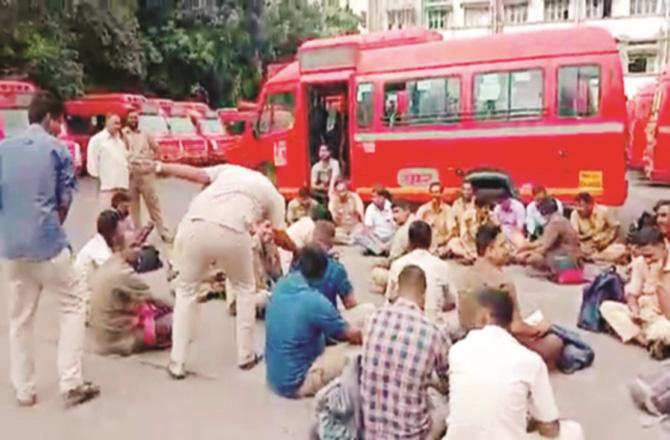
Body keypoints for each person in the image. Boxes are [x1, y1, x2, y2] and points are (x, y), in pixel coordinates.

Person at [0, 91, 99, 407]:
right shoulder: (58, 150)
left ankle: (24, 390)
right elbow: (65, 201)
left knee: (20, 319)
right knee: (74, 300)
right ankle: (70, 382)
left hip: (12, 249)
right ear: (48, 118)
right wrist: (50, 228)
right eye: (59, 120)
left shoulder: (3, 150)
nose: (61, 127)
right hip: (47, 244)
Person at [155, 162, 296, 377]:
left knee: (186, 292)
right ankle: (245, 355)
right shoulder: (272, 193)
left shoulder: (230, 170)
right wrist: (298, 249)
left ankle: (177, 362)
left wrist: (162, 167)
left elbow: (196, 174)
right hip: (232, 229)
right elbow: (279, 235)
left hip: (193, 225)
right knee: (244, 289)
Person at [445, 288, 584, 440]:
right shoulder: (530, 360)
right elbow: (550, 429)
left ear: (483, 317)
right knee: (573, 431)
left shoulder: (457, 351)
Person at [361, 265, 450, 440]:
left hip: (372, 432)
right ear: (424, 295)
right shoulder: (433, 332)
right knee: (442, 404)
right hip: (411, 435)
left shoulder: (372, 320)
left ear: (396, 288)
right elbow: (449, 381)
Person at [265, 245, 363, 398]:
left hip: (275, 377)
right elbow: (353, 336)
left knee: (361, 315)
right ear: (323, 272)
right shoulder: (317, 302)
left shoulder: (282, 285)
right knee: (360, 353)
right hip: (298, 382)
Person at [461, 225, 564, 368]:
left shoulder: (466, 275)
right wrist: (538, 329)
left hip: (469, 340)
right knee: (555, 342)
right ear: (490, 251)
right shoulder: (503, 282)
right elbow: (515, 327)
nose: (507, 250)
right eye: (502, 245)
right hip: (496, 346)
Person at [600, 227, 670, 358]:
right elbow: (632, 293)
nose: (647, 260)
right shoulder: (640, 263)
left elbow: (668, 314)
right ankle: (645, 341)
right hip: (643, 315)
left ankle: (653, 338)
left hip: (662, 318)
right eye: (644, 256)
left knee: (666, 328)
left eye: (650, 255)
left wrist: (658, 281)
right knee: (607, 307)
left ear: (663, 246)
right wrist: (634, 310)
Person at [89, 247, 173, 356]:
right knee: (172, 322)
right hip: (117, 340)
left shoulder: (110, 262)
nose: (139, 251)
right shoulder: (123, 273)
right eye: (134, 246)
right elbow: (155, 297)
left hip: (101, 333)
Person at [300, 221, 375, 330]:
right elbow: (350, 304)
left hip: (299, 320)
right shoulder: (335, 268)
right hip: (325, 324)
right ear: (331, 241)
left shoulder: (298, 259)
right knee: (369, 309)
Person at [386, 221, 455, 330]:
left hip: (401, 324)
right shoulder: (442, 266)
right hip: (433, 327)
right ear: (430, 241)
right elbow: (451, 302)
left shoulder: (397, 264)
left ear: (409, 241)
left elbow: (390, 298)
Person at [123, 110, 171, 243]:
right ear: (127, 119)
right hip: (130, 175)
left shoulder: (145, 133)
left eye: (135, 117)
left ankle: (163, 231)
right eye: (130, 118)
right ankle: (138, 234)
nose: (133, 120)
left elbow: (157, 148)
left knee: (153, 204)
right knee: (133, 206)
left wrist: (153, 163)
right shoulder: (123, 134)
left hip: (146, 173)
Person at [517, 197, 582, 275]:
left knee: (532, 259)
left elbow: (544, 247)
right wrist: (526, 247)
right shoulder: (561, 219)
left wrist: (526, 254)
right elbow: (543, 240)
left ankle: (550, 272)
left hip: (566, 258)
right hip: (571, 255)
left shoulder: (555, 223)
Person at [87, 113, 129, 210]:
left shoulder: (120, 141)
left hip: (122, 186)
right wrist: (97, 178)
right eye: (115, 123)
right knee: (107, 217)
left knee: (121, 218)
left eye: (119, 124)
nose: (117, 126)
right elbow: (92, 161)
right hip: (107, 186)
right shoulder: (97, 140)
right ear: (107, 123)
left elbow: (125, 159)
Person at [571, 192, 627, 264]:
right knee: (577, 250)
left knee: (620, 248)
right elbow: (575, 235)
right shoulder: (575, 214)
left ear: (590, 205)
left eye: (581, 206)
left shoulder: (603, 211)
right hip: (588, 246)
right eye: (576, 206)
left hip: (605, 245)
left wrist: (607, 242)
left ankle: (595, 258)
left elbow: (615, 227)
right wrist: (587, 239)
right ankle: (597, 258)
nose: (578, 209)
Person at [370, 200, 414, 291]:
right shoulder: (416, 223)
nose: (394, 216)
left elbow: (394, 258)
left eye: (397, 212)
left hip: (408, 273)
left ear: (407, 211)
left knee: (375, 272)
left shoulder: (404, 231)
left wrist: (384, 263)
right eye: (393, 213)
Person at [448, 196, 497, 263]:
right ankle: (467, 255)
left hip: (485, 247)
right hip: (468, 246)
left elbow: (497, 235)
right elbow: (463, 236)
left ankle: (474, 257)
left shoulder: (492, 216)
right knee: (453, 242)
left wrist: (486, 225)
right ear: (477, 208)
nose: (487, 211)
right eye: (485, 208)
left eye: (488, 208)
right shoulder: (467, 216)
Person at [356, 184, 397, 256]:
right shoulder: (370, 208)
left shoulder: (391, 207)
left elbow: (397, 227)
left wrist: (387, 244)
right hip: (376, 238)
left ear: (383, 197)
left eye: (377, 197)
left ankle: (382, 250)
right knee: (358, 236)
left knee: (398, 235)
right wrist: (378, 243)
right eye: (373, 197)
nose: (374, 199)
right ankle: (380, 251)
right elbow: (368, 229)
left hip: (390, 237)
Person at [416, 181, 455, 255]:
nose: (435, 195)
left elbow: (452, 231)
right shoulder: (423, 209)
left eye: (437, 192)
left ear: (442, 194)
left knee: (454, 242)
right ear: (430, 194)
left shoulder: (448, 210)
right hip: (426, 244)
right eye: (433, 192)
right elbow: (416, 229)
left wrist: (442, 241)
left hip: (443, 243)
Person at [328, 178, 364, 245]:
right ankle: (351, 240)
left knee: (361, 229)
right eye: (339, 191)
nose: (342, 193)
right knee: (333, 234)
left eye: (343, 190)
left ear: (347, 190)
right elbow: (334, 219)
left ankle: (351, 239)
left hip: (355, 227)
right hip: (342, 228)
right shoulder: (333, 201)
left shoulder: (355, 197)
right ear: (336, 191)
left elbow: (361, 214)